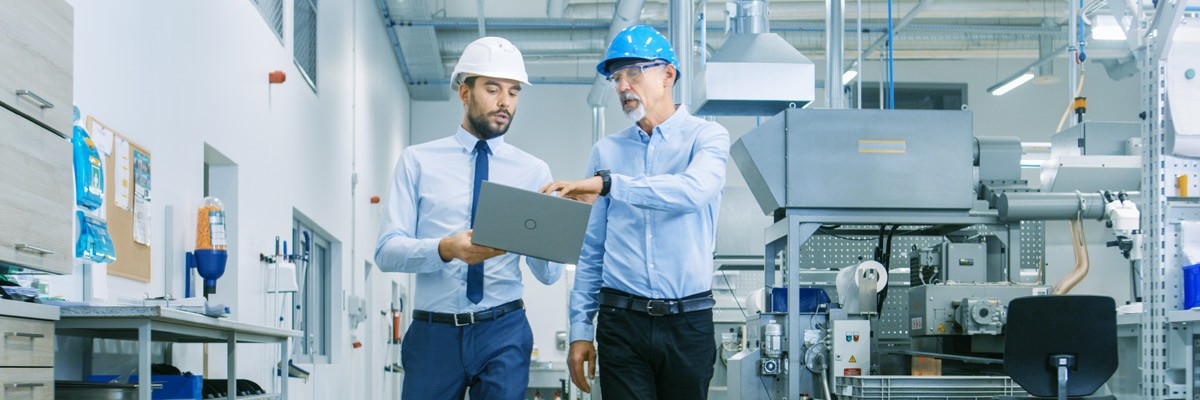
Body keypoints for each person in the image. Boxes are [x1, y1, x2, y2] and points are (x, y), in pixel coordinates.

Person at [541, 25, 730, 400]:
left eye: (633, 72)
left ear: (668, 74)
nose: (622, 86)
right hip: (621, 322)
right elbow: (593, 249)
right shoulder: (606, 151)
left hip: (688, 323)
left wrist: (610, 184)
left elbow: (692, 191)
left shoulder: (706, 137)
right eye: (616, 77)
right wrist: (580, 329)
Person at [375, 36, 562, 400]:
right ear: (465, 93)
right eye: (492, 89)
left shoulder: (534, 171)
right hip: (434, 335)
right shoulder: (418, 161)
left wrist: (549, 229)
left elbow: (550, 274)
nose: (505, 101)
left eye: (513, 91)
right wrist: (445, 249)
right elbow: (386, 251)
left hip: (504, 329)